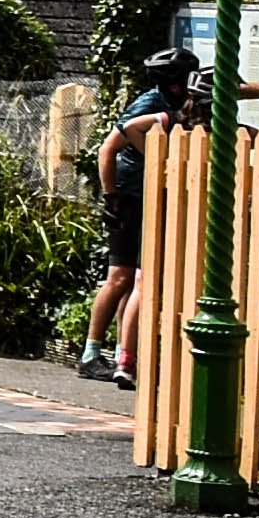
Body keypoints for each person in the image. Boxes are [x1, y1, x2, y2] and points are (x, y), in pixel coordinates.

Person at [87, 42, 202, 381]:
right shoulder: (150, 104)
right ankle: (90, 354)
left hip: (147, 195)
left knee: (134, 279)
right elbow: (107, 148)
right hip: (128, 194)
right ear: (175, 83)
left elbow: (237, 89)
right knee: (120, 276)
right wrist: (111, 198)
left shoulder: (182, 100)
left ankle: (123, 355)